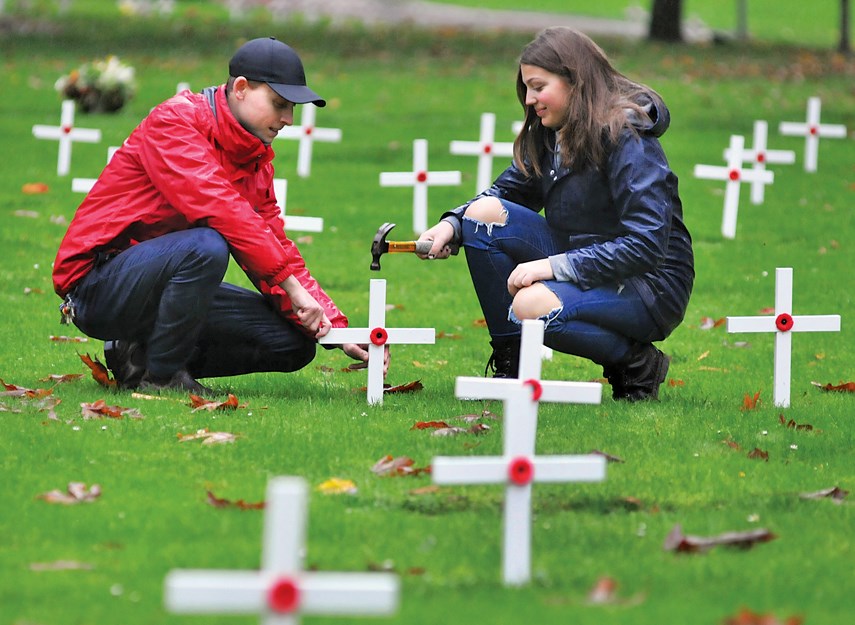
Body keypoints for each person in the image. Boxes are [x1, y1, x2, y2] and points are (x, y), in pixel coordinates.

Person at [52, 37, 378, 395]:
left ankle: (137, 355)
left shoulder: (253, 157)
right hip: (97, 286)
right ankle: (162, 377)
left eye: (292, 108)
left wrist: (336, 327)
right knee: (207, 246)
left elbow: (272, 243)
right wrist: (292, 289)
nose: (288, 119)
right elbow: (222, 209)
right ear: (240, 88)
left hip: (166, 281)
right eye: (279, 104)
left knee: (293, 342)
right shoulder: (174, 123)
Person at [417, 27, 694, 401]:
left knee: (530, 306)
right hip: (583, 255)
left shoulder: (627, 136)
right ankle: (511, 367)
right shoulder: (553, 132)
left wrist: (551, 267)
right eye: (526, 88)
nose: (529, 100)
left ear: (574, 81)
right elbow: (505, 193)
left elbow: (645, 245)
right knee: (481, 216)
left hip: (648, 283)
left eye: (538, 86)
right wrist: (451, 224)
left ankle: (635, 364)